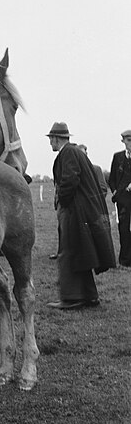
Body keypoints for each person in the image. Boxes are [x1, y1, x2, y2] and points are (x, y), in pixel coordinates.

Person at [46, 122, 116, 309]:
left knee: (69, 252)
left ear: (56, 138)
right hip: (82, 210)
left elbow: (69, 180)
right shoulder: (76, 152)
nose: (50, 143)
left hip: (75, 211)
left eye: (50, 139)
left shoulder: (68, 153)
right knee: (82, 251)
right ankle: (90, 296)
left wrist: (64, 203)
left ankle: (72, 298)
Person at [108, 129, 131, 268]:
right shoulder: (118, 157)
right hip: (122, 199)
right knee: (123, 228)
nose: (129, 144)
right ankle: (125, 260)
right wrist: (115, 191)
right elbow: (112, 179)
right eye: (127, 141)